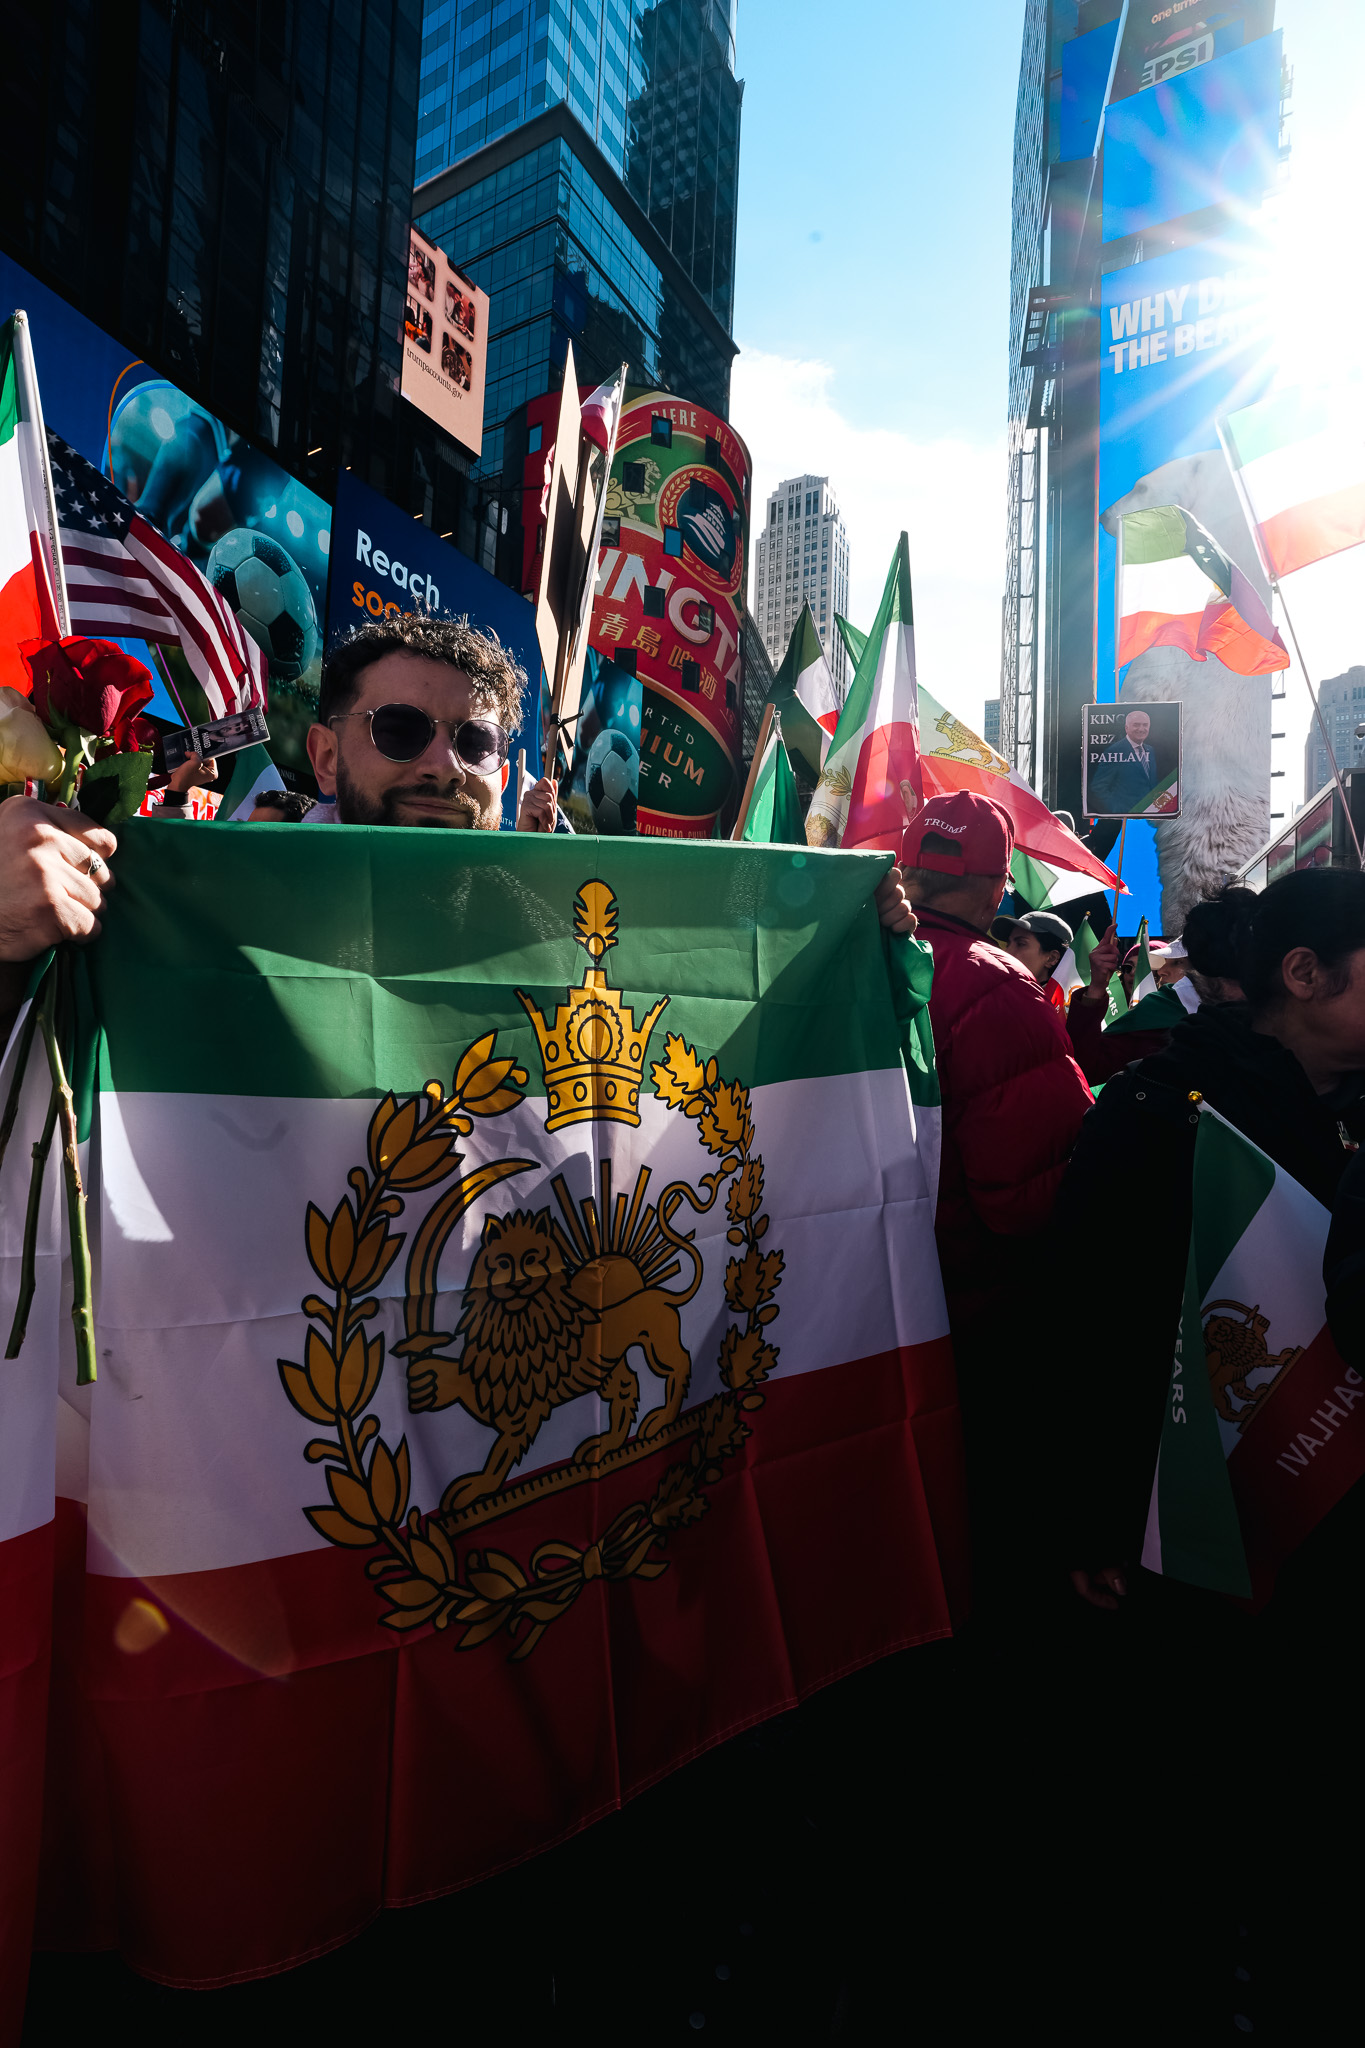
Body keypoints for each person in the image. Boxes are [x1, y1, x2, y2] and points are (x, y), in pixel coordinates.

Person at [1055, 873, 1365, 1612]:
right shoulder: (1153, 1111)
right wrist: (1098, 1518)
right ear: (1302, 973)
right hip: (1204, 1515)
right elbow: (1091, 1323)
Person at [900, 790, 1092, 1615]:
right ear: (995, 889)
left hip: (842, 1304)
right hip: (968, 1314)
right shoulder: (998, 986)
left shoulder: (829, 959)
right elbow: (1023, 1199)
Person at [1087, 707, 1157, 815]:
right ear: (1126, 728)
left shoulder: (1150, 750)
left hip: (1148, 815)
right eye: (1136, 725)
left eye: (1145, 725)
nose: (1141, 729)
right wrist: (1117, 810)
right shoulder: (1114, 751)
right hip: (1125, 817)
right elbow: (1098, 786)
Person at [994, 908, 1073, 986]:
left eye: (1020, 944)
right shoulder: (996, 991)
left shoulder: (1058, 998)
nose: (1007, 952)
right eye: (1008, 944)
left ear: (1052, 958)